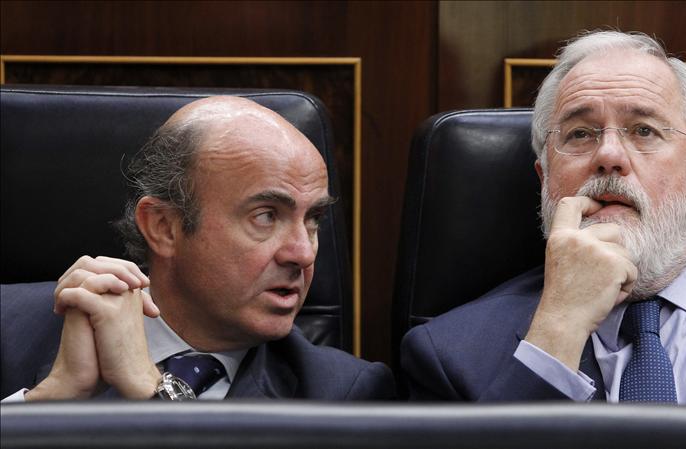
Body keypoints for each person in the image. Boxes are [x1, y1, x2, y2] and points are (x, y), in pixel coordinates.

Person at [401, 30, 686, 409]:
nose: (608, 155)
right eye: (580, 134)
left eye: (643, 130)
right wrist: (558, 329)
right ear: (546, 180)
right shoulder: (450, 356)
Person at [2, 96, 394, 401]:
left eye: (313, 220)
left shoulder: (343, 393)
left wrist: (152, 390)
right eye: (266, 216)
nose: (303, 254)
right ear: (164, 227)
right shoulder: (9, 330)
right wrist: (48, 403)